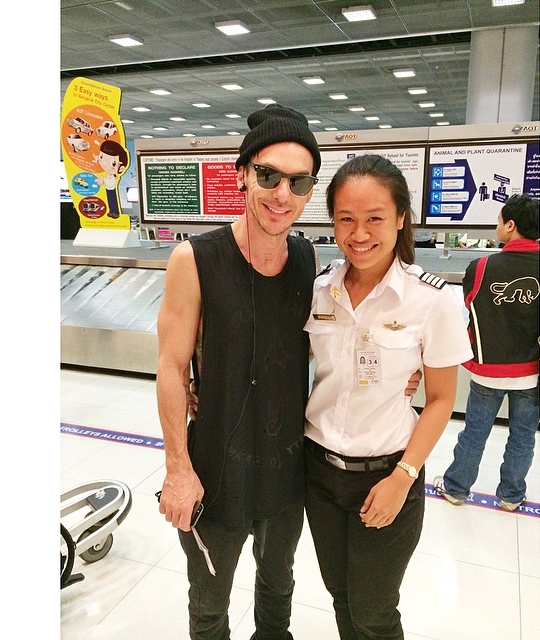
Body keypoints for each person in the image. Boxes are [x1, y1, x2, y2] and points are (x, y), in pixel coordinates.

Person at [156, 103, 323, 640]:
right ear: (242, 175)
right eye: (269, 176)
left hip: (285, 469)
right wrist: (178, 470)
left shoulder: (306, 259)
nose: (282, 195)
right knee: (209, 603)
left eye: (299, 182)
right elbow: (171, 366)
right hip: (215, 469)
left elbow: (318, 346)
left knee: (278, 589)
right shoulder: (195, 258)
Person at [302, 154, 473, 639]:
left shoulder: (432, 299)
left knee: (374, 611)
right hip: (318, 472)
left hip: (388, 473)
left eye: (374, 218)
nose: (359, 234)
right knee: (341, 597)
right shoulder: (319, 290)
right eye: (345, 219)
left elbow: (440, 400)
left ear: (400, 218)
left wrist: (404, 476)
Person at [433, 194, 540, 512]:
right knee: (523, 436)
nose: (497, 226)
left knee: (475, 432)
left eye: (499, 220)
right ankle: (511, 496)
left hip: (487, 368)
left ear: (511, 225)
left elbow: (471, 304)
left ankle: (456, 488)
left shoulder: (480, 267)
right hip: (532, 371)